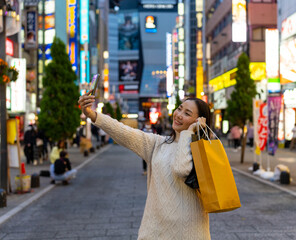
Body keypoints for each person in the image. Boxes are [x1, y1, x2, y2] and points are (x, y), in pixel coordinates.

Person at [79, 94, 212, 239]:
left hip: (190, 232)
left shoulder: (202, 151)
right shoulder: (157, 144)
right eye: (179, 109)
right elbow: (124, 132)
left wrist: (188, 134)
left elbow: (181, 169)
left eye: (187, 113)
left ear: (199, 121)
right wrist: (92, 115)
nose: (179, 115)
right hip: (155, 230)